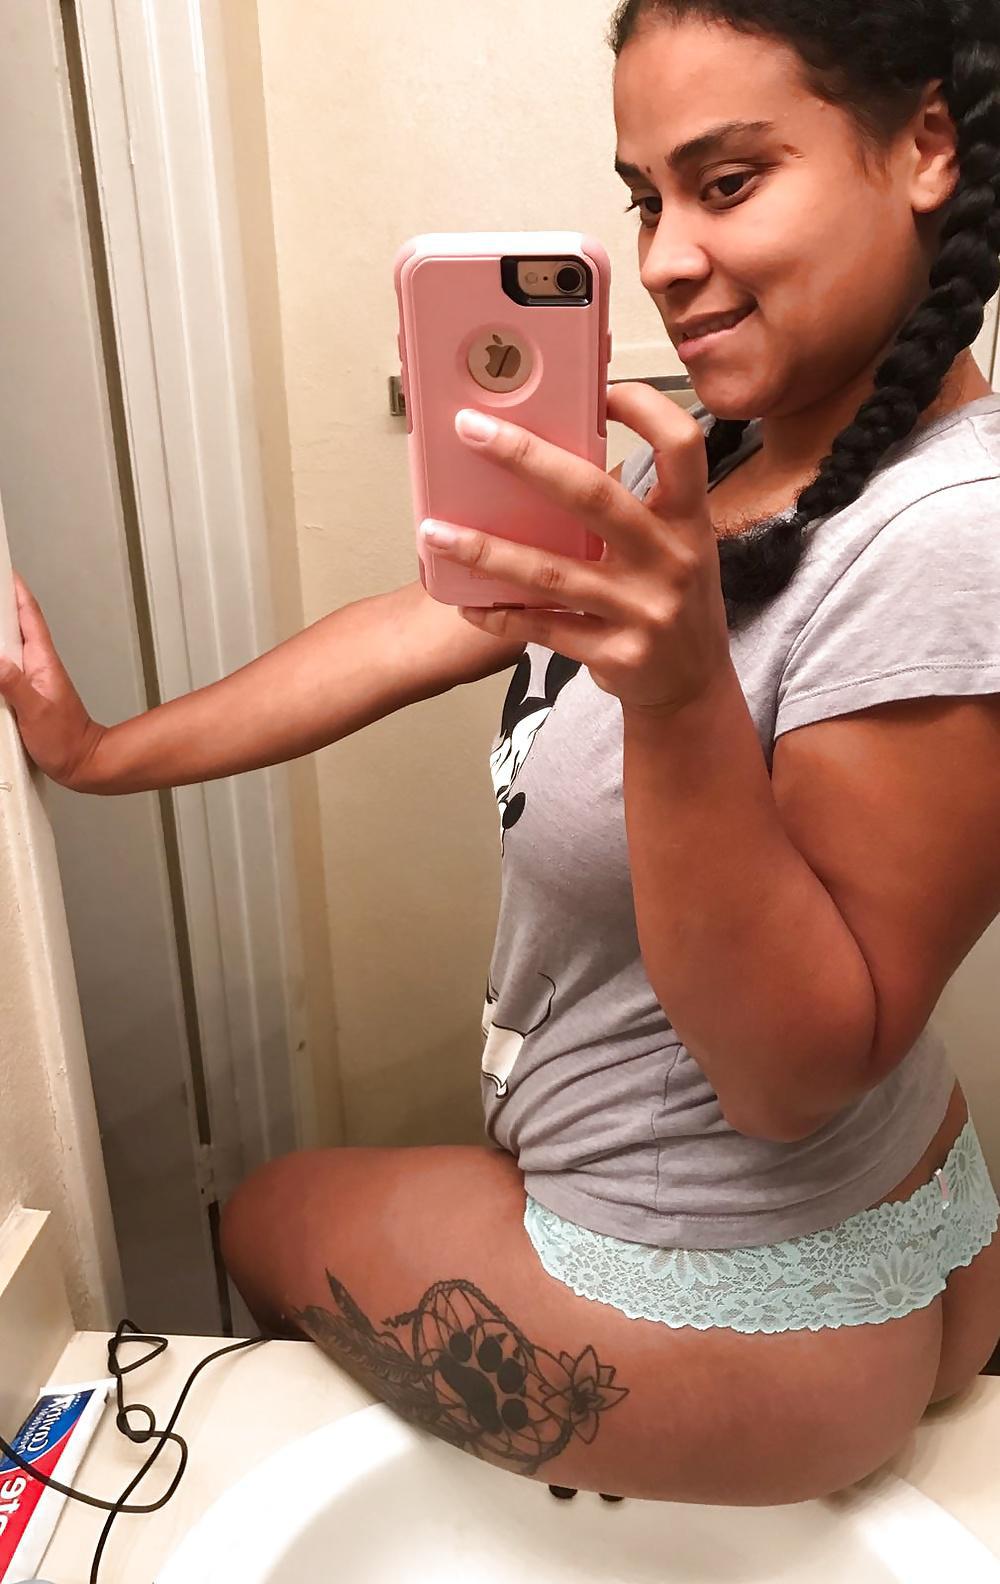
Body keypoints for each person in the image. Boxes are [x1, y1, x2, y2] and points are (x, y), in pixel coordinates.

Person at [2, 0, 1000, 1510]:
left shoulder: (948, 536)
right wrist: (96, 756)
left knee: (255, 1214)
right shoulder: (736, 445)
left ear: (926, 145)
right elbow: (441, 619)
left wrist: (678, 702)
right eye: (645, 198)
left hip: (737, 1303)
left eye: (729, 183)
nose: (665, 259)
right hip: (882, 1205)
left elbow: (791, 1078)